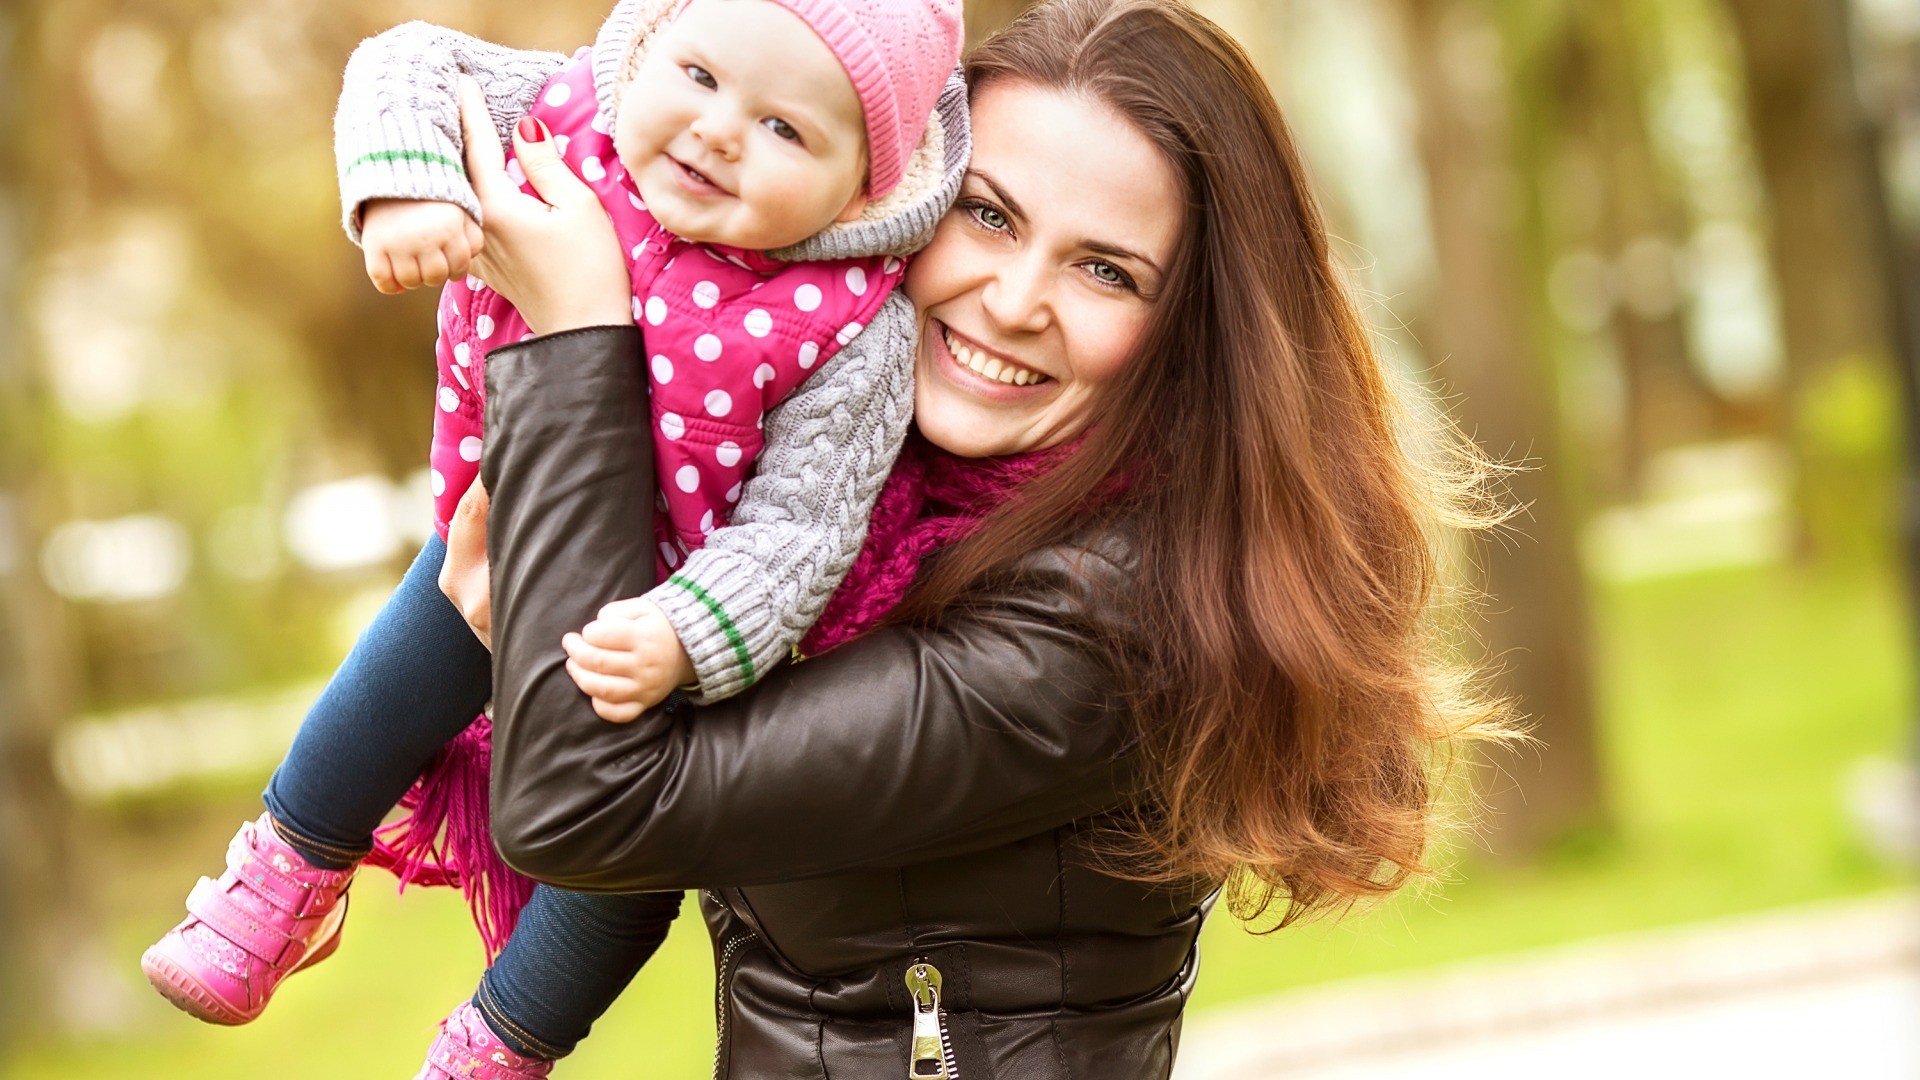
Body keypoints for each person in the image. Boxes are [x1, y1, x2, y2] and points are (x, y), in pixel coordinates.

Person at [442, 0, 1516, 1076]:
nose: (1011, 301)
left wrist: (579, 332)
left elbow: (583, 803)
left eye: (1106, 271)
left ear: (1193, 333)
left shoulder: (1107, 621)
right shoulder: (845, 513)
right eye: (989, 216)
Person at [140, 0, 968, 1074]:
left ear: (867, 179)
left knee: (625, 876)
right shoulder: (570, 111)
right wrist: (405, 186)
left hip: (656, 636)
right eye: (703, 76)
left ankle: (497, 1047)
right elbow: (409, 63)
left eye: (786, 130)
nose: (720, 131)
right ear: (651, 43)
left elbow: (802, 528)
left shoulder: (854, 322)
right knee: (385, 689)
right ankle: (284, 874)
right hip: (502, 542)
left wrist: (689, 634)